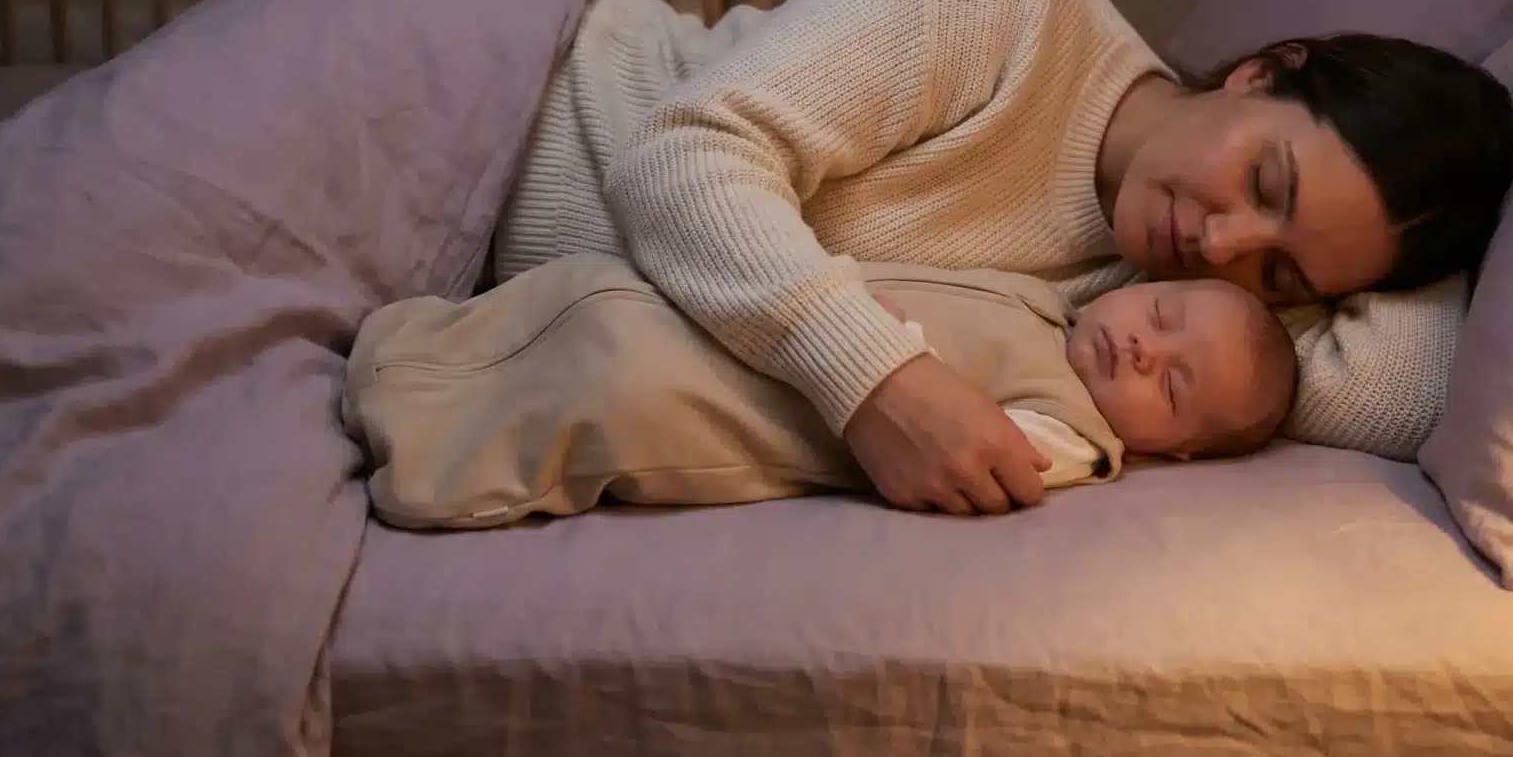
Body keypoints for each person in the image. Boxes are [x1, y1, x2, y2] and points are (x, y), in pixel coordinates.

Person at [494, 0, 1513, 516]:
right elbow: (681, 154)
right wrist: (877, 382)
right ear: (1260, 69)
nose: (1221, 248)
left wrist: (1451, 234)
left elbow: (1404, 397)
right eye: (1265, 184)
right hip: (480, 101)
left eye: (1285, 277)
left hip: (477, 296)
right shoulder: (1012, 5)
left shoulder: (1156, 308)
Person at [343, 254, 1295, 524]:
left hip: (760, 407)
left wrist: (891, 347)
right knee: (589, 301)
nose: (1139, 350)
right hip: (746, 325)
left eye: (1172, 386)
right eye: (1160, 317)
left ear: (1174, 450)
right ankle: (400, 356)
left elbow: (987, 448)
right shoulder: (1047, 298)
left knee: (607, 393)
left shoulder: (1080, 439)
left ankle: (423, 468)